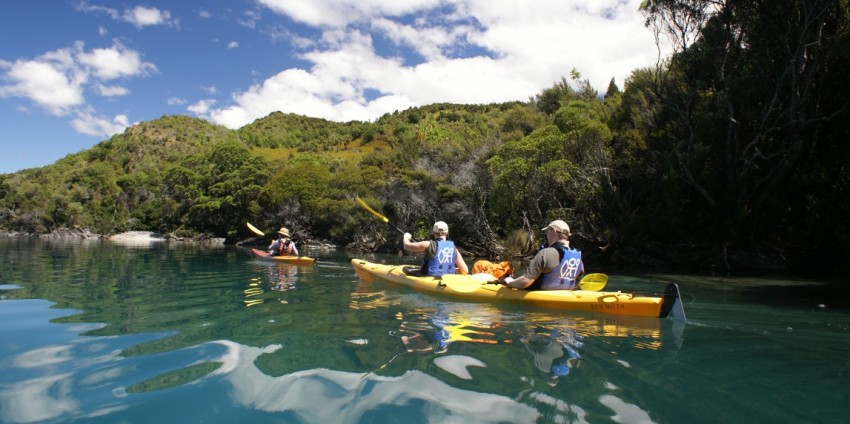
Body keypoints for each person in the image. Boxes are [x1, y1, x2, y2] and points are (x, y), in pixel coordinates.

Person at [501, 220, 583, 290]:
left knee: (510, 279)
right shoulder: (577, 254)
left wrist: (509, 282)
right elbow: (579, 278)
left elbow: (525, 282)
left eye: (547, 232)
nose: (546, 235)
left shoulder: (545, 253)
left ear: (554, 231)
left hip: (540, 296)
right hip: (566, 294)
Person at [403, 221, 469, 276]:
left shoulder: (428, 244)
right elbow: (465, 271)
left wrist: (406, 237)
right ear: (447, 233)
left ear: (433, 232)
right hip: (449, 280)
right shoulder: (453, 248)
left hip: (430, 279)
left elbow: (406, 246)